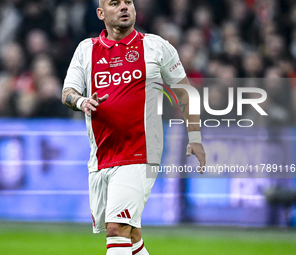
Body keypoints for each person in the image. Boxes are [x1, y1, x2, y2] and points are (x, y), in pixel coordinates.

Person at [62, 1, 206, 254]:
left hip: (141, 152)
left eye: (128, 2)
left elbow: (185, 92)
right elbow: (68, 92)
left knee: (116, 229)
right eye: (115, 3)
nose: (124, 7)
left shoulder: (156, 47)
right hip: (102, 156)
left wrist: (195, 136)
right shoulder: (87, 50)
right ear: (100, 13)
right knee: (132, 236)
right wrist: (81, 100)